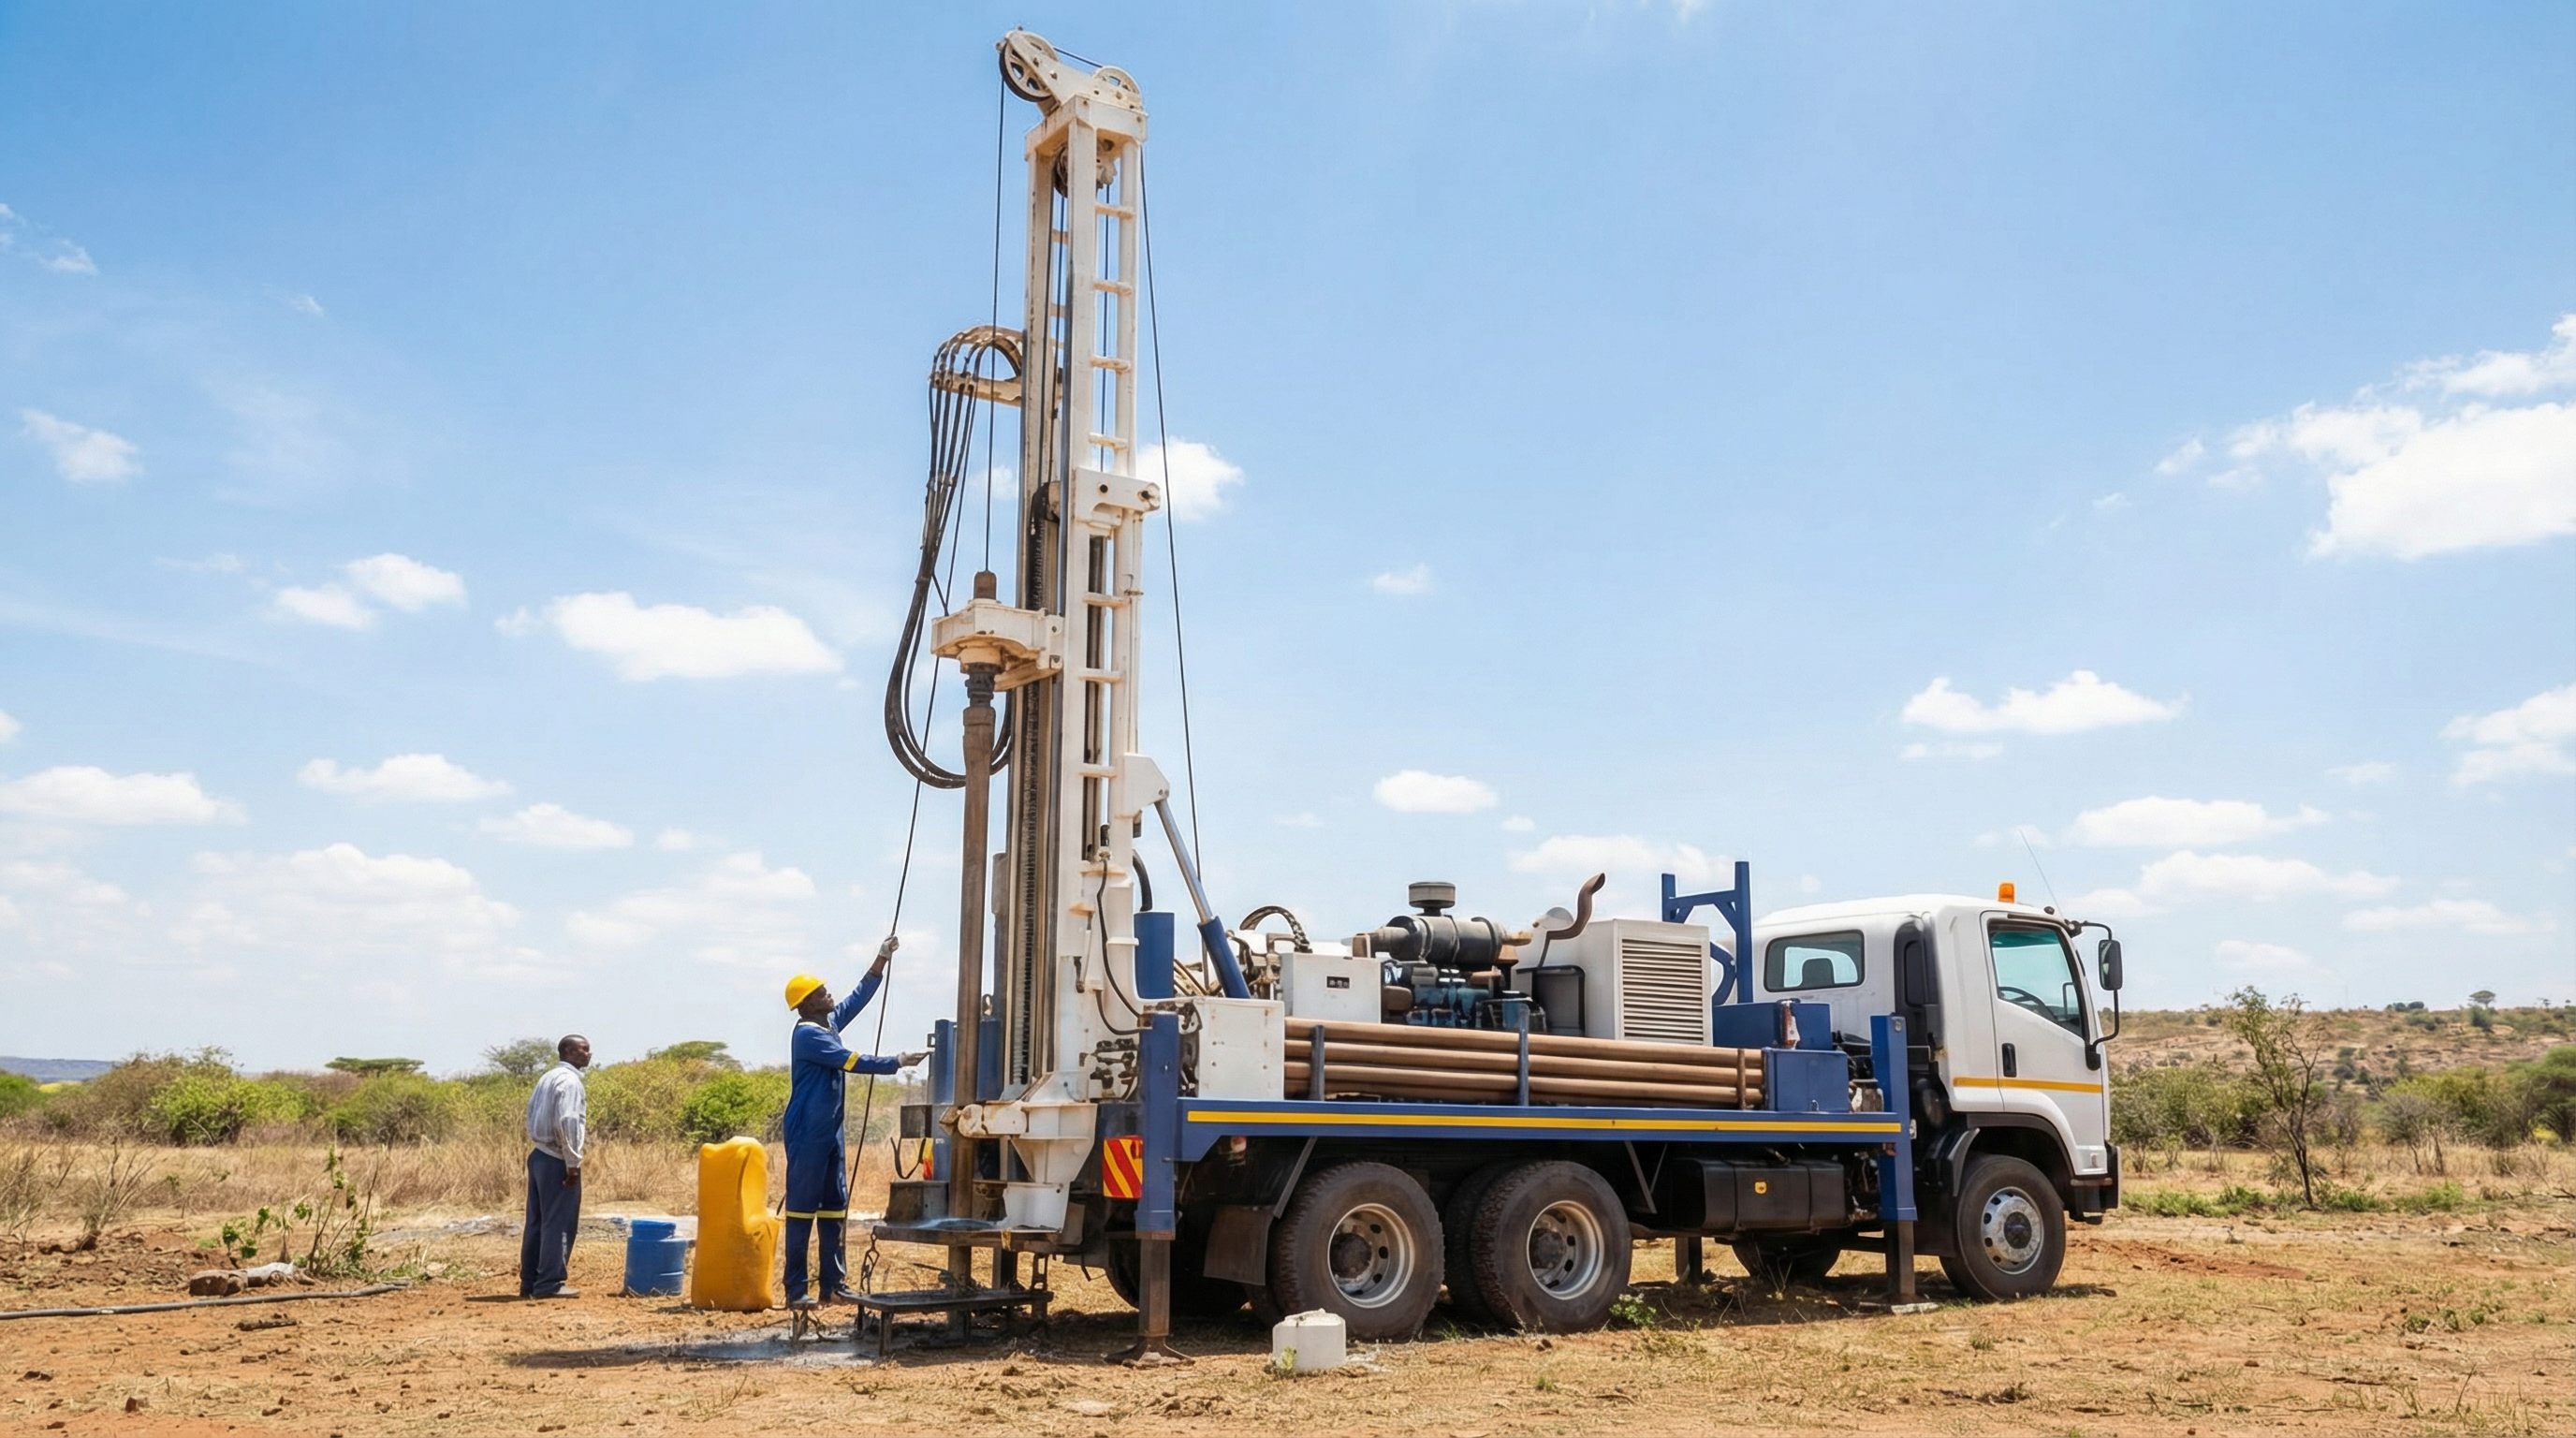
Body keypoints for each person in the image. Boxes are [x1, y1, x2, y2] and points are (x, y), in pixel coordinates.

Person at [782, 938, 927, 1305]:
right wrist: (896, 1061)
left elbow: (858, 998)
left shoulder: (827, 1024)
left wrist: (882, 958)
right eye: (821, 993)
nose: (829, 995)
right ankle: (796, 1290)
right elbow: (851, 1061)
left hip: (830, 1132)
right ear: (806, 1005)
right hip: (807, 1132)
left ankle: (833, 1286)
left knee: (834, 1206)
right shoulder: (809, 1035)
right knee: (801, 1209)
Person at [521, 1034, 592, 1299]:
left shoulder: (548, 1077)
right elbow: (568, 1121)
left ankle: (530, 1282)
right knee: (558, 1223)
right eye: (583, 1049)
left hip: (539, 1155)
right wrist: (572, 1163)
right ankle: (550, 1284)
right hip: (556, 1159)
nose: (589, 1054)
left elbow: (531, 1113)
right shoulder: (570, 1081)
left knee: (537, 1222)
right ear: (568, 1051)